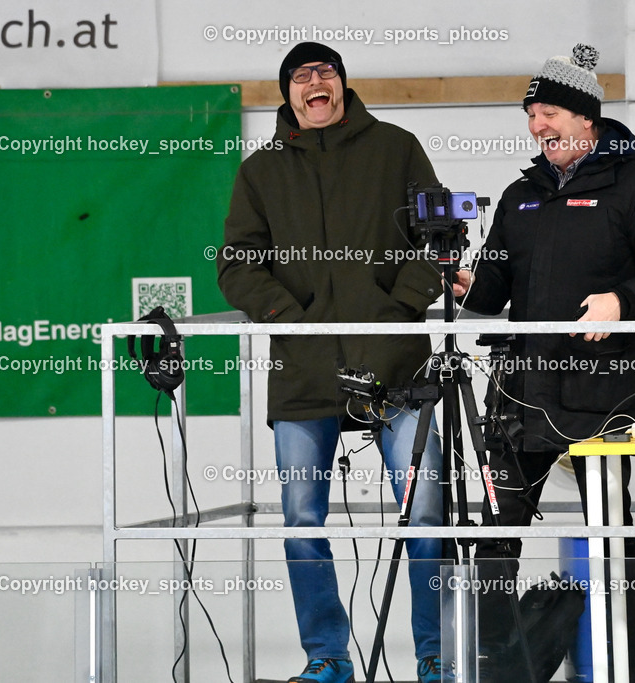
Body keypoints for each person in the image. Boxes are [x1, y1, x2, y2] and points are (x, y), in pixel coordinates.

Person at [452, 43, 635, 680]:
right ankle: (499, 669)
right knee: (494, 540)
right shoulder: (519, 195)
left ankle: (630, 665)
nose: (538, 126)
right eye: (531, 115)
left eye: (551, 113)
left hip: (598, 394)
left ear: (588, 119)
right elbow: (489, 294)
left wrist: (622, 299)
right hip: (516, 397)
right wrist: (458, 279)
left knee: (611, 538)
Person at [217, 42, 444, 683]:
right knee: (299, 519)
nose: (316, 83)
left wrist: (399, 310)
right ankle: (328, 658)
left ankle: (437, 656)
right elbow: (236, 262)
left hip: (398, 369)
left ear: (342, 85)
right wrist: (292, 321)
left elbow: (438, 236)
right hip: (304, 372)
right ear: (287, 95)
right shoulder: (260, 170)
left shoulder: (397, 146)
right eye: (301, 77)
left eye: (326, 73)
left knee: (425, 506)